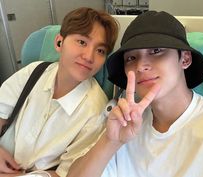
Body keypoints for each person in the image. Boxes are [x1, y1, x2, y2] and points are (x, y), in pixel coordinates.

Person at [67, 10, 203, 177]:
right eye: (131, 58)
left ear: (185, 59)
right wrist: (111, 142)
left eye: (156, 51)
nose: (141, 66)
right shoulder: (123, 127)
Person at [0, 7, 118, 177]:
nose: (89, 56)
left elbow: (66, 173)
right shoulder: (34, 72)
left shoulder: (95, 111)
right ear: (59, 43)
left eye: (100, 51)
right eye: (82, 42)